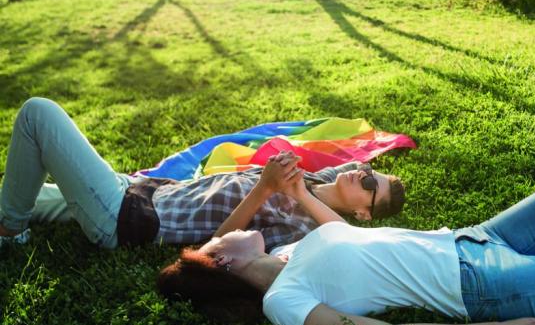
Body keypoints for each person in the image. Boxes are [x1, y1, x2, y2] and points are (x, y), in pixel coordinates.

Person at [158, 156, 535, 325]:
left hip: (482, 237)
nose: (225, 230)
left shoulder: (288, 255)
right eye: (217, 241)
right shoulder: (283, 304)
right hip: (482, 286)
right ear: (222, 260)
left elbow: (345, 232)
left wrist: (296, 189)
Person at [0, 98, 405, 250]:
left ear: (364, 214)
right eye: (366, 169)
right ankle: (11, 215)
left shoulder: (306, 229)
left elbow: (217, 246)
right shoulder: (319, 181)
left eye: (370, 184)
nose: (360, 173)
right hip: (140, 189)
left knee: (39, 114)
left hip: (125, 219)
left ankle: (10, 231)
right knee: (11, 191)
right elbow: (344, 171)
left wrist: (265, 190)